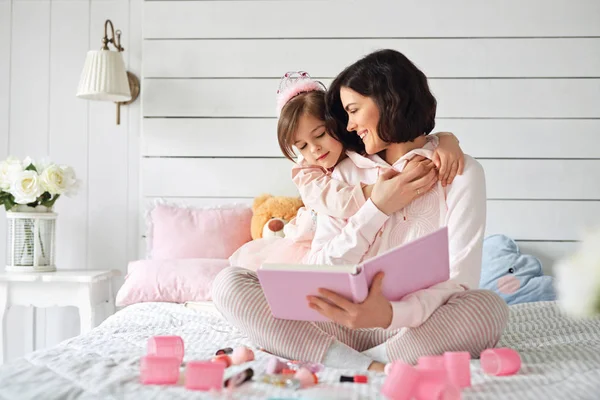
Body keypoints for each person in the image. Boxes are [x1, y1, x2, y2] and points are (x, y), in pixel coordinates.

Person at [213, 57, 508, 372]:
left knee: (489, 309)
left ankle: (369, 362)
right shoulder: (341, 175)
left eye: (352, 111)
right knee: (228, 283)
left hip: (412, 326)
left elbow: (460, 282)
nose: (349, 125)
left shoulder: (461, 171)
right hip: (335, 321)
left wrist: (389, 315)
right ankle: (354, 361)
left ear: (388, 100)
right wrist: (377, 208)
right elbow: (318, 273)